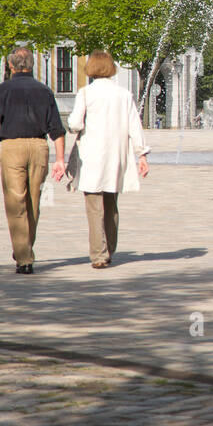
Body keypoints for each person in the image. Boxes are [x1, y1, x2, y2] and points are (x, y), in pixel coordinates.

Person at [0, 45, 67, 275]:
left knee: (16, 202)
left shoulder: (4, 90)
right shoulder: (44, 90)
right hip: (39, 147)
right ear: (32, 65)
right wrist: (60, 158)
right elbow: (57, 128)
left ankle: (24, 256)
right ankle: (25, 250)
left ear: (11, 65)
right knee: (34, 202)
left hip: (12, 147)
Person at [65, 51, 151, 269]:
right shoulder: (124, 95)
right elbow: (135, 126)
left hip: (92, 156)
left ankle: (99, 254)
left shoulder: (85, 93)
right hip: (116, 156)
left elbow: (75, 124)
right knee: (111, 205)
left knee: (94, 207)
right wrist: (141, 154)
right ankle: (110, 248)